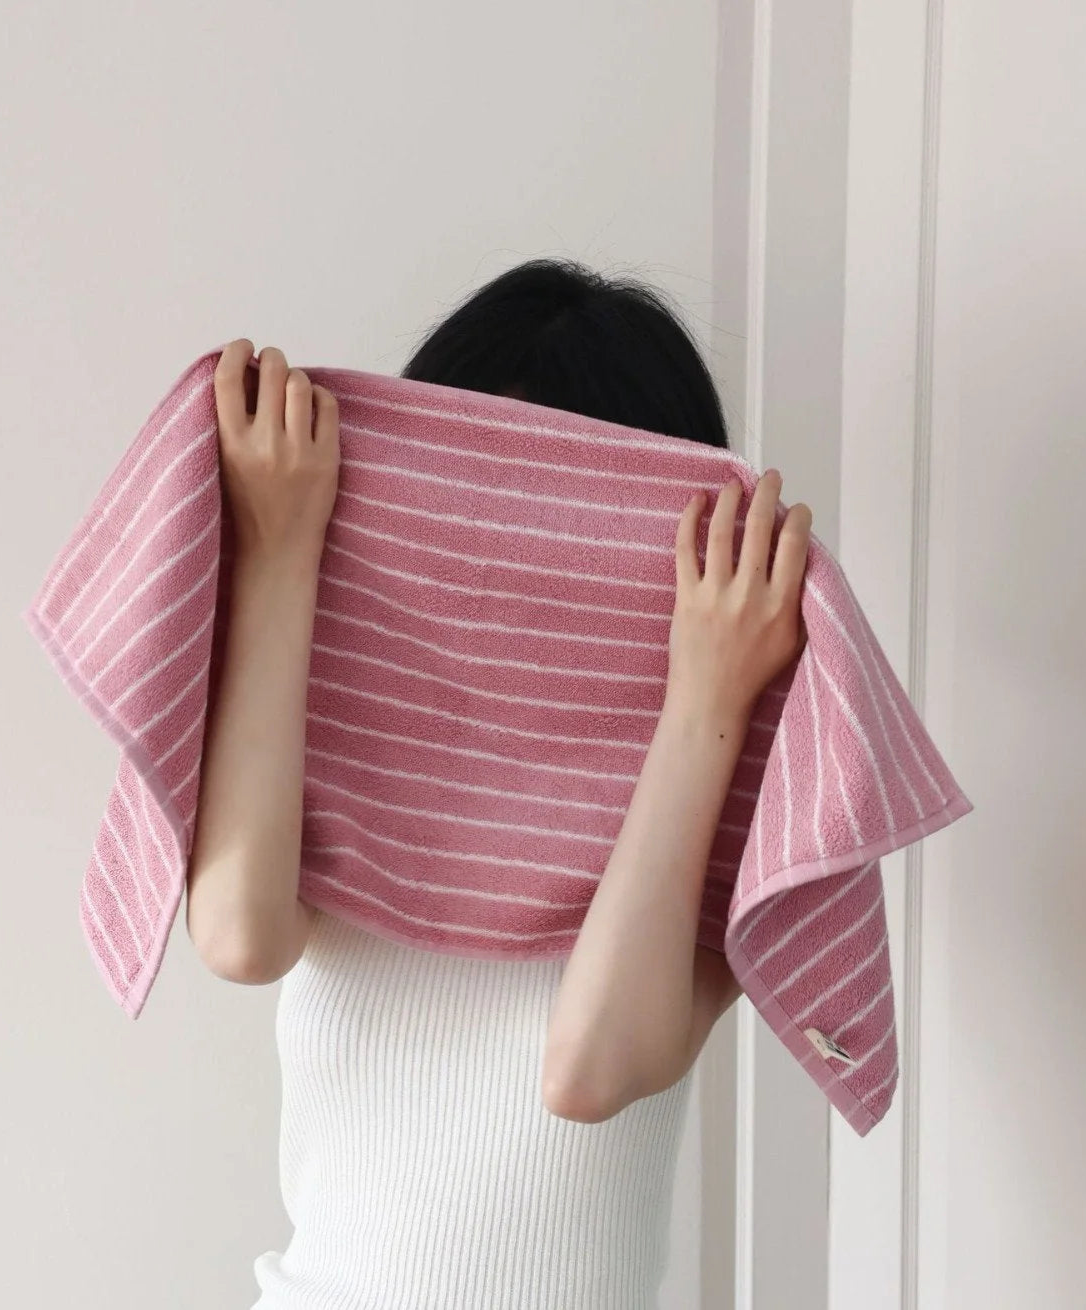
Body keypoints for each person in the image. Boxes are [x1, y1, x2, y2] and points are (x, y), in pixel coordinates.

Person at [184, 257, 813, 1308]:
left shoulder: (725, 804)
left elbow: (588, 1068)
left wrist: (707, 694)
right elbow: (239, 934)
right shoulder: (358, 762)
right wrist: (280, 549)